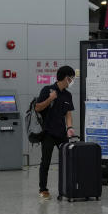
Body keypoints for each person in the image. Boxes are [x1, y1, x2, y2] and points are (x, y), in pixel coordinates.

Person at [35, 65, 76, 201]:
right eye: (71, 78)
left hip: (61, 133)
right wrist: (50, 98)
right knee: (45, 162)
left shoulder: (68, 95)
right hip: (48, 133)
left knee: (68, 161)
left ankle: (67, 187)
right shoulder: (47, 90)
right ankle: (43, 189)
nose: (72, 81)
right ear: (65, 78)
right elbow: (38, 107)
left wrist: (69, 127)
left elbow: (68, 114)